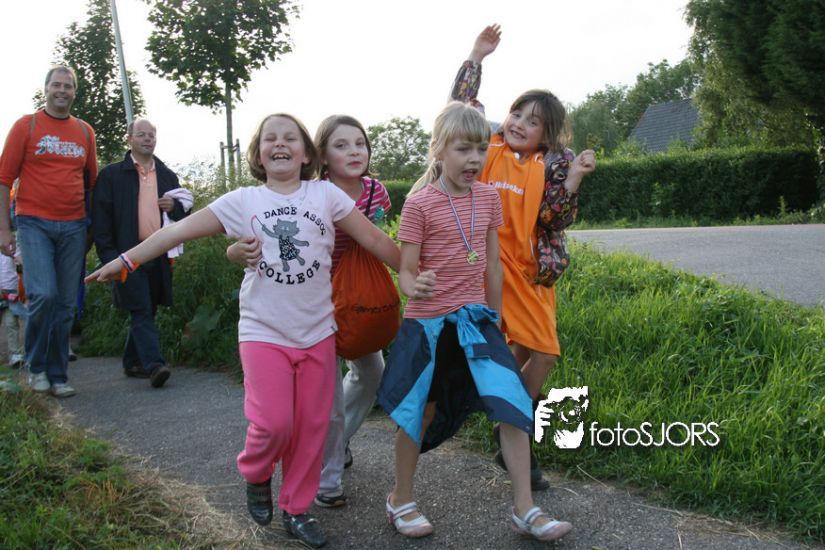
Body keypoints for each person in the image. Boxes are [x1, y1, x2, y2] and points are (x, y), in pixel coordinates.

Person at [85, 113, 400, 549]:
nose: (280, 143)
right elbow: (176, 231)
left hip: (317, 333)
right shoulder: (243, 201)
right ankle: (256, 473)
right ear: (258, 154)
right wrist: (126, 260)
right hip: (263, 332)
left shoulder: (325, 194)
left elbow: (376, 241)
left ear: (307, 154)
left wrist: (416, 274)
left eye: (290, 137)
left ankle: (296, 509)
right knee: (273, 423)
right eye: (271, 138)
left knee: (312, 428)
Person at [377, 101, 572, 542]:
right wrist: (413, 286)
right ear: (439, 150)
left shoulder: (487, 197)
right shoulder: (420, 204)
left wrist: (496, 319)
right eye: (463, 149)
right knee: (420, 413)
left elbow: (492, 266)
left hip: (478, 323)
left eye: (481, 149)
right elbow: (405, 270)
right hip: (430, 326)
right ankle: (400, 498)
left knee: (512, 402)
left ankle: (525, 508)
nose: (474, 159)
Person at [450, 25, 596, 489]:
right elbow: (459, 108)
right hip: (491, 265)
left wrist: (574, 178)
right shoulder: (488, 145)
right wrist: (477, 57)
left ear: (546, 134)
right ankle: (513, 430)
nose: (518, 123)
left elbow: (554, 218)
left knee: (531, 350)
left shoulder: (550, 163)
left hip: (533, 273)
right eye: (517, 113)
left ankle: (505, 426)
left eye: (532, 121)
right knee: (545, 353)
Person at [226, 114, 392, 508]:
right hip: (314, 302)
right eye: (341, 145)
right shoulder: (311, 192)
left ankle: (335, 444)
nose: (354, 152)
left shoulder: (377, 193)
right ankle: (327, 481)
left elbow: (376, 241)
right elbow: (253, 237)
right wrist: (233, 251)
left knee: (372, 371)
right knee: (326, 405)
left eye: (360, 143)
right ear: (322, 155)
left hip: (358, 301)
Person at [0, 65, 98, 398]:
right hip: (33, 223)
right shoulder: (25, 126)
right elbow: (3, 179)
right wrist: (3, 229)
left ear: (74, 92)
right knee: (43, 294)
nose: (62, 91)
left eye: (68, 86)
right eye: (56, 85)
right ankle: (36, 366)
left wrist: (92, 230)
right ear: (46, 89)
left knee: (66, 304)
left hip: (74, 225)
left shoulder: (84, 132)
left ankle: (58, 375)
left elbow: (92, 183)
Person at [92, 118, 192, 388]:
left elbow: (183, 214)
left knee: (150, 307)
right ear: (130, 139)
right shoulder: (112, 175)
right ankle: (154, 365)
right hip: (126, 255)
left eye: (151, 135)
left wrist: (174, 206)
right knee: (141, 308)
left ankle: (132, 361)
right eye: (141, 134)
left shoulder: (167, 175)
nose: (147, 139)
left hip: (158, 253)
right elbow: (101, 221)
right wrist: (109, 257)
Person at [0, 248, 26, 367]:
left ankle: (16, 353)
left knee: (13, 322)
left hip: (12, 291)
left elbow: (20, 259)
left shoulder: (12, 247)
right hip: (3, 292)